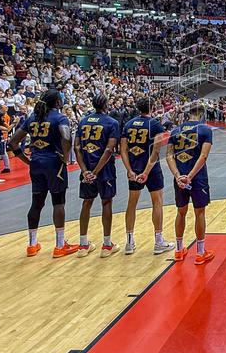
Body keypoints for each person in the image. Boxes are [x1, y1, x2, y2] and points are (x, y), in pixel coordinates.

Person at [10, 89, 78, 258]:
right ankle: (60, 245)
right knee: (58, 202)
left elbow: (12, 143)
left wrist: (27, 160)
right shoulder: (60, 118)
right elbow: (66, 137)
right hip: (54, 163)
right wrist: (65, 156)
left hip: (37, 163)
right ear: (58, 102)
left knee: (36, 203)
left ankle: (32, 245)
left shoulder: (32, 117)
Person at [120, 97, 172, 255]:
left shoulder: (128, 124)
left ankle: (129, 242)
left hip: (134, 168)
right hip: (151, 169)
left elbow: (123, 150)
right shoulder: (155, 124)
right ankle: (158, 241)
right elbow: (156, 151)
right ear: (152, 107)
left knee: (132, 204)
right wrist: (146, 172)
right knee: (157, 202)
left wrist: (129, 170)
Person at [166, 103, 214, 264]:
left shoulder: (175, 130)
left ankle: (179, 250)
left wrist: (178, 176)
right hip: (197, 178)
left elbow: (169, 155)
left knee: (181, 212)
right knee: (199, 212)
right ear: (201, 114)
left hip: (179, 178)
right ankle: (200, 252)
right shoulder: (205, 130)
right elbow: (204, 156)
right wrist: (190, 176)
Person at [74, 94, 120, 257]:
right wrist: (95, 172)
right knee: (106, 202)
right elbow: (109, 150)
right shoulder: (112, 122)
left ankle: (83, 244)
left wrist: (85, 170)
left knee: (86, 203)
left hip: (86, 167)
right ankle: (107, 245)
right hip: (104, 170)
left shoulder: (83, 121)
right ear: (106, 105)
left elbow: (77, 147)